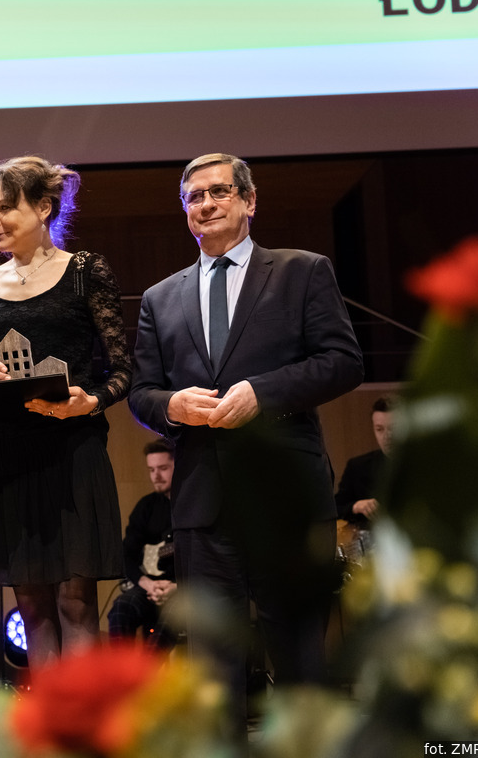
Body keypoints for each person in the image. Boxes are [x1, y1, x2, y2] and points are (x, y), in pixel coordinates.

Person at [128, 153, 363, 731]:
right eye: (194, 197)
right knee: (213, 668)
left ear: (249, 201)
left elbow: (343, 362)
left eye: (219, 192)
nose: (206, 205)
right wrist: (171, 406)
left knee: (299, 656)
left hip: (285, 498)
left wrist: (264, 391)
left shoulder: (302, 271)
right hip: (202, 503)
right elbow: (141, 392)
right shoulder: (161, 297)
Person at [0, 156, 129, 666]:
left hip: (72, 451)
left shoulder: (85, 271)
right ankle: (48, 716)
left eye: (5, 208)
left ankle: (82, 716)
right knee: (32, 607)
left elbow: (124, 369)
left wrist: (90, 401)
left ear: (43, 208)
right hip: (9, 455)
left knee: (75, 602)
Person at [107, 440, 177, 648]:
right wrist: (147, 583)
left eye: (163, 468)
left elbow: (205, 559)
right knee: (121, 609)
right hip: (150, 587)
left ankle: (147, 669)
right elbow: (126, 555)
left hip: (184, 589)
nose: (156, 476)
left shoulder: (193, 506)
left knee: (173, 618)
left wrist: (177, 586)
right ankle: (122, 668)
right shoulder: (146, 506)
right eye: (151, 470)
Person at [334, 395, 394, 526]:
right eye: (379, 429)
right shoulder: (357, 466)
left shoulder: (428, 464)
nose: (387, 436)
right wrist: (355, 506)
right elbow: (335, 508)